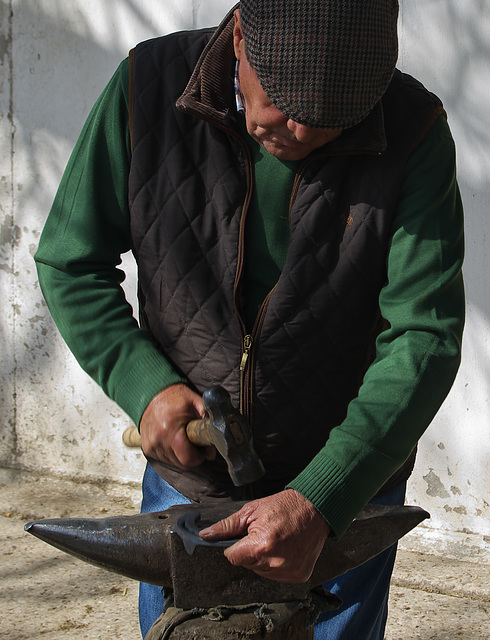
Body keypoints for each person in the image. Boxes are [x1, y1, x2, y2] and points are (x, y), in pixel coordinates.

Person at [34, 0, 465, 638]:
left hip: (347, 484)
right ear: (240, 36)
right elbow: (70, 261)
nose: (302, 132)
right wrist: (143, 383)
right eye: (283, 103)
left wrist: (324, 495)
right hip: (192, 486)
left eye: (331, 123)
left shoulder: (413, 127)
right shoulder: (146, 87)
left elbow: (423, 338)